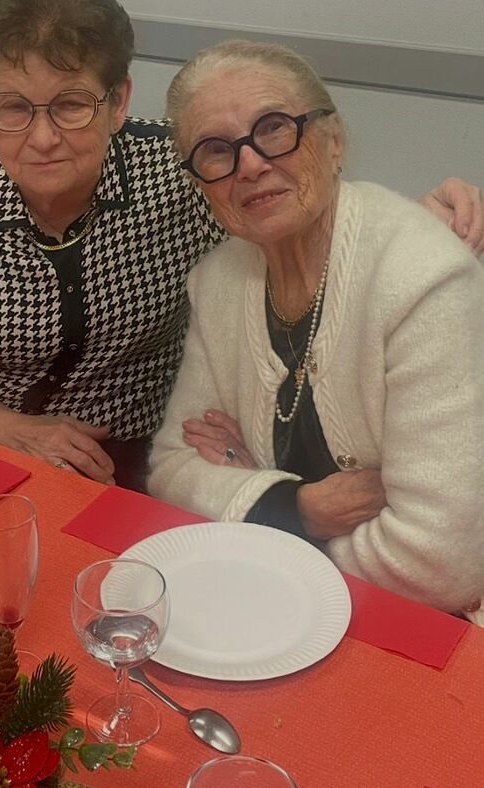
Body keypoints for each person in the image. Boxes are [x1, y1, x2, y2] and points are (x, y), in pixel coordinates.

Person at [0, 0, 484, 489]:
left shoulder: (179, 171)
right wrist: (10, 428)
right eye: (14, 108)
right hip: (4, 459)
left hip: (157, 457)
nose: (42, 138)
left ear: (118, 101)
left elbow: (294, 201)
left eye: (70, 104)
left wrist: (409, 221)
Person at [148, 41, 484, 617]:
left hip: (423, 627)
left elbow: (438, 563)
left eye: (274, 128)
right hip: (289, 601)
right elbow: (173, 469)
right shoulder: (219, 280)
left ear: (334, 141)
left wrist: (254, 514)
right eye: (216, 150)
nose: (250, 164)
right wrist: (296, 508)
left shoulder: (422, 278)